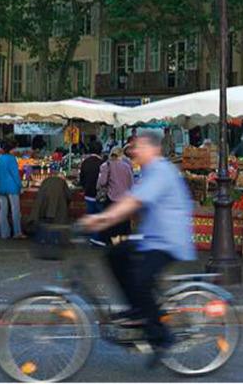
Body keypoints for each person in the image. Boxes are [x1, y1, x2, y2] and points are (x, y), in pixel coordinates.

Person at [81, 131, 195, 357]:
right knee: (115, 254)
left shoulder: (160, 171)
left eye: (139, 147)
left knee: (141, 280)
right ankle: (137, 309)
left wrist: (101, 219)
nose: (134, 151)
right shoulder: (148, 171)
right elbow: (130, 200)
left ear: (154, 149)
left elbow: (133, 202)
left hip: (168, 240)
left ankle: (161, 335)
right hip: (151, 237)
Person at [97, 146, 134, 242]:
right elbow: (131, 183)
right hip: (125, 200)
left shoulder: (106, 165)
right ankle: (123, 245)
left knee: (112, 226)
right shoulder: (127, 166)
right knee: (124, 226)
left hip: (112, 199)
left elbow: (102, 182)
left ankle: (113, 245)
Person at [0, 141, 26, 239]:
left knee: (3, 210)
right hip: (12, 187)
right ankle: (17, 232)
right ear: (11, 150)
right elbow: (15, 174)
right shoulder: (12, 159)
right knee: (15, 210)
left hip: (1, 187)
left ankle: (4, 233)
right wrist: (20, 186)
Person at [79, 148, 105, 246]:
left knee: (90, 215)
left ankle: (91, 235)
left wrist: (84, 187)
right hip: (99, 195)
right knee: (99, 216)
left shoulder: (85, 162)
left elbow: (81, 177)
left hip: (88, 193)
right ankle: (96, 237)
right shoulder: (102, 163)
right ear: (100, 152)